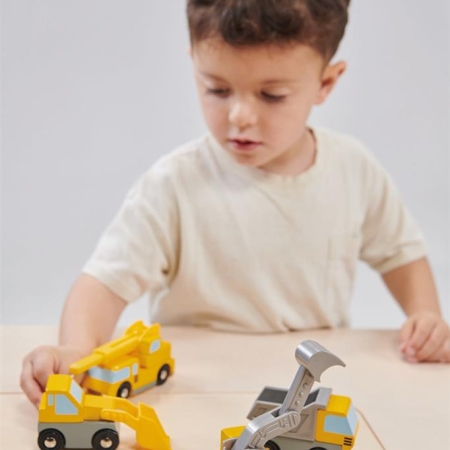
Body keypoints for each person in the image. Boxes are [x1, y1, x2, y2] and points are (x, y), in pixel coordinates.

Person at [21, 0, 450, 406]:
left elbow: (400, 254)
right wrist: (76, 349)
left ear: (326, 83)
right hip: (195, 390)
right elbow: (102, 284)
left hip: (303, 389)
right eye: (218, 89)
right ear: (194, 65)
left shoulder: (352, 169)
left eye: (272, 95)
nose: (240, 115)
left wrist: (426, 316)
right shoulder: (175, 184)